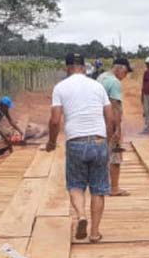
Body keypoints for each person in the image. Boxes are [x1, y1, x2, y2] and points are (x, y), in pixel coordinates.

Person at [46, 52, 117, 243]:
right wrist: (107, 141)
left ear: (67, 67)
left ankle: (81, 215)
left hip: (75, 142)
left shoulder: (60, 87)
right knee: (99, 188)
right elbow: (110, 118)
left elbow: (54, 121)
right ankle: (94, 233)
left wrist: (51, 142)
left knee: (76, 185)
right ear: (84, 67)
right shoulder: (98, 86)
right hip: (98, 140)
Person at [98, 57, 133, 197]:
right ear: (120, 69)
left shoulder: (101, 77)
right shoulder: (114, 82)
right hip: (109, 123)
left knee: (102, 155)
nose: (125, 76)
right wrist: (117, 128)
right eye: (125, 72)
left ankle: (101, 184)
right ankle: (114, 187)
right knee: (115, 156)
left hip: (98, 122)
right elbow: (115, 106)